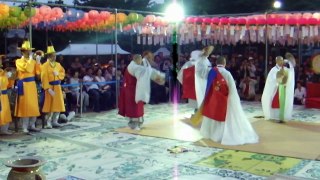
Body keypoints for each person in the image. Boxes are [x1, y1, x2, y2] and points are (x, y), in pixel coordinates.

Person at [195, 56, 259, 145]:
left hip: (213, 98)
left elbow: (208, 85)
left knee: (213, 115)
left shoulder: (211, 72)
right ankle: (221, 135)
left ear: (216, 63)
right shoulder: (227, 73)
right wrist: (234, 100)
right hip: (224, 99)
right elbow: (232, 88)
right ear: (224, 63)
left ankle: (211, 134)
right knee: (224, 117)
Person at [118, 54, 165, 130]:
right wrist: (157, 77)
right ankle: (134, 124)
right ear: (135, 60)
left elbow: (146, 71)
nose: (140, 62)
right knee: (133, 108)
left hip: (135, 89)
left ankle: (137, 122)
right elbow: (146, 72)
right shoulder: (134, 67)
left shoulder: (133, 66)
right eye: (139, 60)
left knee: (137, 106)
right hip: (132, 90)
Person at [15, 40, 41, 133]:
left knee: (33, 106)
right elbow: (28, 69)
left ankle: (32, 125)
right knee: (25, 106)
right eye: (27, 50)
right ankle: (24, 127)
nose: (29, 51)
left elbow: (38, 74)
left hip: (32, 85)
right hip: (24, 85)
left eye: (30, 50)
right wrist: (31, 60)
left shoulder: (32, 61)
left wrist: (38, 63)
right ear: (22, 51)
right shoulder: (18, 61)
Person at [261, 54, 295, 123]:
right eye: (279, 60)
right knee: (275, 102)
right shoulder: (273, 70)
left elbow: (291, 72)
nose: (281, 62)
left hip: (283, 89)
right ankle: (275, 117)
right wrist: (278, 82)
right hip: (276, 89)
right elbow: (271, 80)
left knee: (283, 103)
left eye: (282, 60)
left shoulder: (284, 69)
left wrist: (289, 63)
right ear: (276, 61)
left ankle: (282, 117)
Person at [41, 45, 66, 128]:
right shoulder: (45, 65)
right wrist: (47, 88)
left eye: (55, 55)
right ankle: (48, 122)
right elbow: (43, 77)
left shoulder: (58, 65)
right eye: (53, 55)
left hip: (57, 86)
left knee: (58, 105)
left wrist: (58, 74)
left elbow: (63, 73)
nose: (54, 57)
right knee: (50, 106)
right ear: (49, 56)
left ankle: (55, 121)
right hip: (50, 87)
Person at [0, 55, 13, 135]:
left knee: (5, 112)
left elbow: (8, 85)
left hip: (4, 96)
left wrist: (9, 78)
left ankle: (4, 130)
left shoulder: (3, 72)